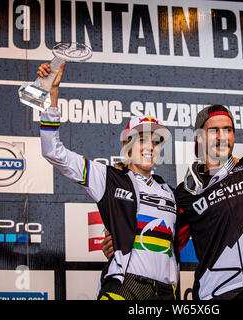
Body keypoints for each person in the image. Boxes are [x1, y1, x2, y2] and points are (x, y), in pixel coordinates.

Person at [102, 27, 243, 300]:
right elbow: (165, 237)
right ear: (198, 138)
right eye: (214, 130)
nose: (222, 136)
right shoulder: (184, 194)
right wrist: (124, 241)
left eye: (228, 129)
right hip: (214, 295)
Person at [38, 62, 179, 300]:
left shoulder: (171, 192)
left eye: (156, 142)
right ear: (127, 145)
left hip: (166, 292)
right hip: (126, 285)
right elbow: (53, 151)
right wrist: (52, 95)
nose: (150, 147)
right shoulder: (108, 178)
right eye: (142, 139)